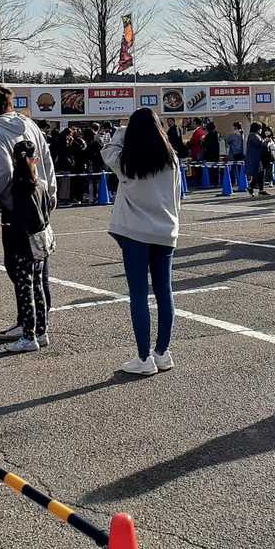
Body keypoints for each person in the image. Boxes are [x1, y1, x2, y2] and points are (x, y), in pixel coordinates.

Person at [103, 108, 182, 376]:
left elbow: (107, 151)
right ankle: (163, 352)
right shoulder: (171, 158)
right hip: (166, 231)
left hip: (135, 232)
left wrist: (122, 130)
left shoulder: (127, 161)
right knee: (164, 292)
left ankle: (143, 357)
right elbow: (178, 194)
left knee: (138, 294)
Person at [0, 85, 57, 341]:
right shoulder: (29, 124)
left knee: (20, 271)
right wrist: (50, 194)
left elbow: (1, 174)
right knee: (39, 266)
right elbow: (47, 160)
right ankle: (41, 323)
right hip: (40, 200)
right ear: (11, 104)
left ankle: (27, 325)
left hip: (17, 206)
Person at [0, 139, 54, 352]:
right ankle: (41, 331)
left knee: (25, 289)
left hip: (22, 243)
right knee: (38, 286)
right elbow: (47, 210)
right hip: (40, 241)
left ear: (14, 160)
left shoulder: (16, 187)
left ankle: (28, 335)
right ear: (35, 160)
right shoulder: (40, 184)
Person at [245, 121, 268, 197]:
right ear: (257, 129)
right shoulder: (253, 135)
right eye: (260, 128)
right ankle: (256, 188)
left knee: (259, 173)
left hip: (257, 157)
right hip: (255, 158)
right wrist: (266, 141)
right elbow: (259, 144)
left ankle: (255, 188)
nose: (261, 130)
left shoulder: (254, 135)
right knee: (259, 173)